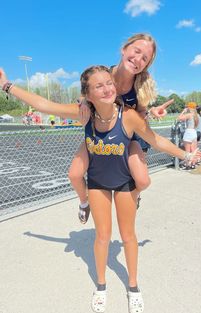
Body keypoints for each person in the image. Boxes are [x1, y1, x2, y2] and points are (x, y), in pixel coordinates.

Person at [0, 66, 201, 313]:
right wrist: (6, 85)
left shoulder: (127, 116)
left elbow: (155, 139)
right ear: (88, 93)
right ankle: (101, 285)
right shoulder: (84, 113)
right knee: (102, 237)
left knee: (128, 236)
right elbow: (44, 105)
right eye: (99, 86)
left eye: (109, 82)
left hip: (125, 183)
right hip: (97, 183)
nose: (107, 88)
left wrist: (186, 154)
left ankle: (133, 287)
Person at [68, 33, 174, 223]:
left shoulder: (140, 85)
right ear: (124, 49)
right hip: (101, 133)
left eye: (145, 58)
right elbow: (87, 93)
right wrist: (83, 101)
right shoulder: (104, 74)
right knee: (74, 174)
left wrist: (151, 112)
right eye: (137, 51)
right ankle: (85, 203)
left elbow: (141, 115)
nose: (138, 59)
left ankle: (135, 193)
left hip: (131, 137)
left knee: (142, 181)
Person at [177, 102, 199, 170]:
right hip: (194, 132)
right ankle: (193, 164)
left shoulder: (189, 114)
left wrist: (183, 111)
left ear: (189, 107)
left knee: (187, 151)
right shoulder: (196, 115)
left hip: (188, 132)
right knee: (193, 151)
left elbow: (179, 118)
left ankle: (187, 165)